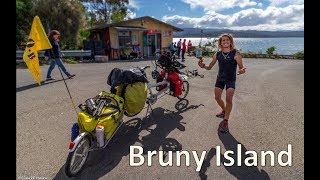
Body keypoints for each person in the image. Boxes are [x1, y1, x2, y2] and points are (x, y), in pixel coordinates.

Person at [198, 33, 246, 133]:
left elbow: (241, 67)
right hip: (220, 79)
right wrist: (202, 66)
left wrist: (242, 70)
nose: (225, 41)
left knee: (229, 98)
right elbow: (209, 67)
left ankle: (225, 120)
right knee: (217, 97)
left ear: (230, 41)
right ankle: (224, 110)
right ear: (220, 42)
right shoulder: (217, 54)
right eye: (223, 40)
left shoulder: (236, 54)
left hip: (230, 80)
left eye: (227, 40)